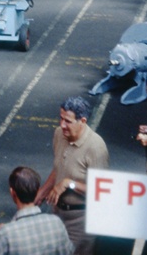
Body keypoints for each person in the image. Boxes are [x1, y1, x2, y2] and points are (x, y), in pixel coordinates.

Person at [36, 96, 109, 255]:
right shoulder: (59, 134)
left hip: (81, 221)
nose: (62, 125)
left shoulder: (96, 148)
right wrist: (42, 193)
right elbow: (59, 168)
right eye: (61, 119)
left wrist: (70, 184)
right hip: (57, 214)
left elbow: (101, 191)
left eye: (68, 121)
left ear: (82, 121)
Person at [0, 166, 73, 255]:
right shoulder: (56, 223)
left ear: (13, 193)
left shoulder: (5, 234)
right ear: (36, 191)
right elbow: (69, 251)